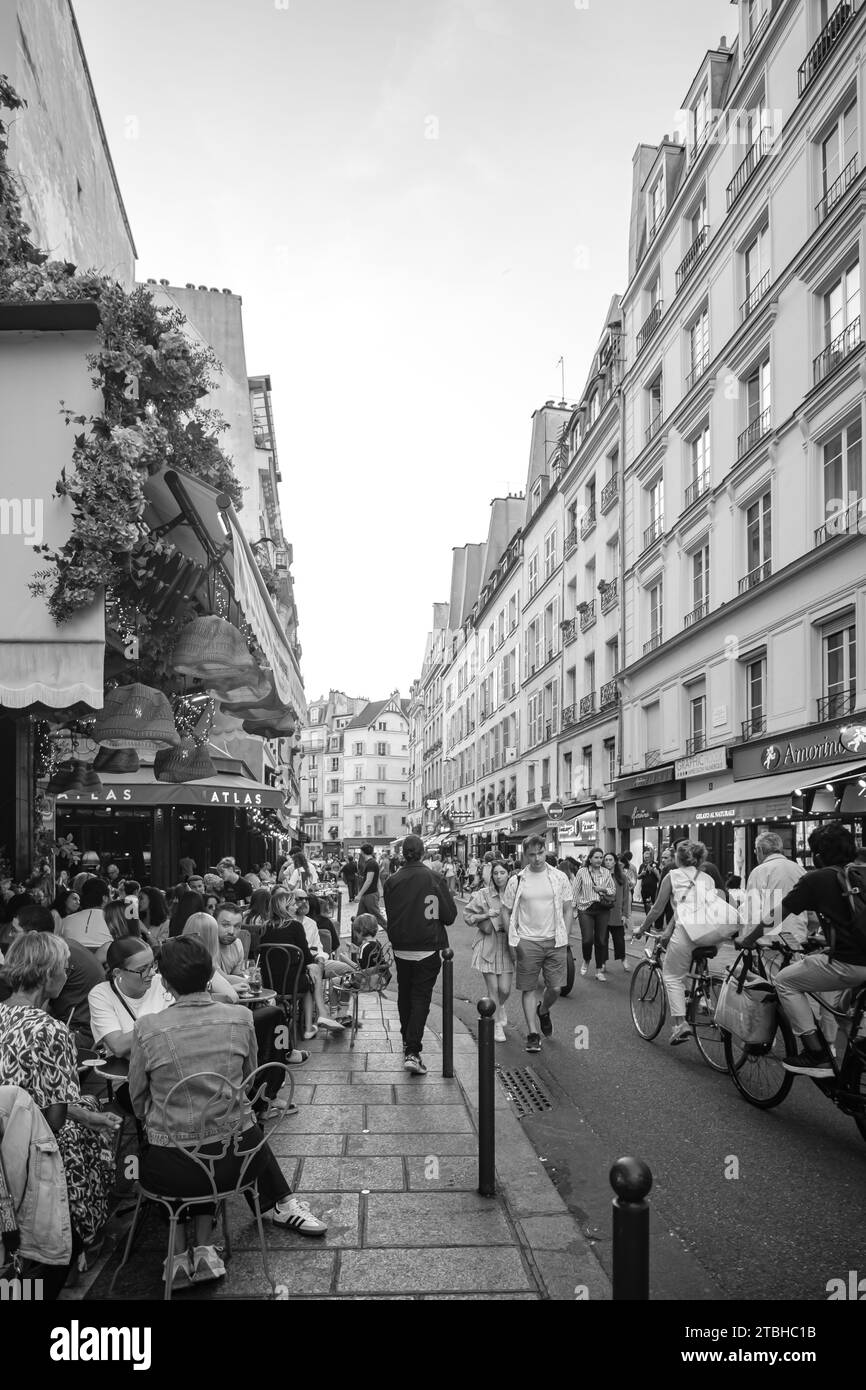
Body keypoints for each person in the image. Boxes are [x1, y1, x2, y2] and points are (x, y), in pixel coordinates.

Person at [128, 937, 326, 1289]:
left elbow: (138, 1099)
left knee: (165, 1146)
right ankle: (203, 1248)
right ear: (209, 976)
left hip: (175, 1166)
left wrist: (164, 1117)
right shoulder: (241, 1017)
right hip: (235, 1163)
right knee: (212, 1136)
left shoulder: (148, 1028)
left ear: (165, 982)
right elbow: (249, 1077)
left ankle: (176, 1257)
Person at [0, 933, 119, 1260]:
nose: (67, 976)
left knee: (91, 1110)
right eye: (64, 969)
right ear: (49, 975)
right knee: (87, 1132)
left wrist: (88, 1115)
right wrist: (90, 1120)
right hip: (30, 1145)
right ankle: (81, 1233)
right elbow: (53, 1118)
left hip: (5, 1130)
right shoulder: (51, 1029)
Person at [740, 821, 866, 1076]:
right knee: (839, 1008)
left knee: (785, 982)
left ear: (818, 855)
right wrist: (823, 939)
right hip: (854, 957)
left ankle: (816, 1053)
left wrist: (748, 939)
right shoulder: (860, 874)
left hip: (850, 963)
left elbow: (775, 916)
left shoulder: (818, 878)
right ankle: (844, 1054)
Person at [383, 833, 457, 1074]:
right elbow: (449, 916)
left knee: (405, 996)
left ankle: (407, 1043)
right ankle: (412, 1051)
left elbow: (391, 914)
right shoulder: (434, 878)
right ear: (423, 852)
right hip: (427, 947)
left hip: (402, 947)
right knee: (420, 999)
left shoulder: (392, 880)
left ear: (402, 853)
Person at [633, 839, 714, 1045]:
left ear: (678, 857)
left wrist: (642, 929)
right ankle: (703, 997)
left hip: (686, 933)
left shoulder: (673, 876)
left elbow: (658, 908)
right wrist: (669, 929)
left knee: (672, 977)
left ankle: (681, 1025)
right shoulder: (707, 878)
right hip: (710, 934)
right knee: (690, 968)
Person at [500, 835, 574, 1053]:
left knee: (556, 988)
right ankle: (533, 1033)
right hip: (528, 940)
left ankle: (543, 1010)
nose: (537, 858)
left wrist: (566, 936)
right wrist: (512, 935)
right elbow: (505, 909)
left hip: (555, 940)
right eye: (531, 854)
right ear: (525, 855)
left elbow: (568, 908)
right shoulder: (518, 880)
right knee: (528, 988)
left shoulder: (559, 877)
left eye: (540, 853)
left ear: (545, 851)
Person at [289, 891, 353, 1035]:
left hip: (315, 962)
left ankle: (339, 1014)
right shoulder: (287, 923)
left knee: (349, 970)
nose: (304, 902)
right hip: (296, 967)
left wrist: (321, 958)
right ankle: (322, 1015)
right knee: (312, 971)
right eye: (299, 899)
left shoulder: (311, 923)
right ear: (290, 903)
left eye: (306, 899)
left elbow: (320, 948)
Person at [465, 859, 514, 1041]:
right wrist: (486, 914)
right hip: (488, 941)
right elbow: (467, 916)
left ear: (508, 874)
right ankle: (496, 1026)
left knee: (505, 989)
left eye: (502, 873)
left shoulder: (514, 894)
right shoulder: (483, 894)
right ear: (491, 875)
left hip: (507, 943)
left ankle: (499, 1007)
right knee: (493, 988)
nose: (499, 876)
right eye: (495, 873)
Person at [741, 832, 808, 946]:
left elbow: (752, 912)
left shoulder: (759, 871)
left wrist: (748, 939)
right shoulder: (800, 870)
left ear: (760, 850)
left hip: (770, 942)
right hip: (797, 940)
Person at [573, 847, 618, 982]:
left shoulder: (606, 872)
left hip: (602, 909)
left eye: (601, 857)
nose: (599, 860)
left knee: (601, 939)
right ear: (590, 859)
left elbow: (613, 890)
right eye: (596, 857)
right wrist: (573, 908)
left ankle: (599, 969)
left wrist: (602, 889)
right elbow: (575, 890)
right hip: (585, 908)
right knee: (587, 939)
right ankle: (586, 959)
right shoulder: (582, 872)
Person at [58, 878, 113, 959]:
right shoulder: (115, 919)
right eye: (110, 895)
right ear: (104, 898)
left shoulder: (65, 920)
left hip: (72, 967)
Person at [603, 852, 632, 972]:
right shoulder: (600, 876)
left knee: (619, 939)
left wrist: (625, 914)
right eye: (606, 860)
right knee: (602, 940)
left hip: (617, 913)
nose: (608, 862)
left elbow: (626, 897)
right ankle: (602, 962)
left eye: (610, 859)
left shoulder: (622, 877)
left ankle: (623, 959)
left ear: (615, 861)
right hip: (602, 912)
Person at [357, 843, 387, 928]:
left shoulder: (371, 863)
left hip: (370, 895)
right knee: (359, 919)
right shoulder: (371, 863)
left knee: (378, 918)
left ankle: (393, 934)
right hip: (368, 894)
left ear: (363, 852)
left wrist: (359, 895)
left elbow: (369, 880)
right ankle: (359, 940)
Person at [214, 902, 246, 976]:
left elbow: (236, 976)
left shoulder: (237, 944)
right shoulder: (206, 945)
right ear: (214, 923)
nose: (231, 931)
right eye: (225, 925)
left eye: (237, 926)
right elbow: (220, 978)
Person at [637, 846, 660, 916]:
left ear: (651, 857)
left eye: (647, 857)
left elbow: (659, 877)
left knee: (655, 905)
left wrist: (653, 870)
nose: (646, 859)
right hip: (644, 889)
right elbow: (638, 877)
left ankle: (656, 921)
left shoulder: (655, 865)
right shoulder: (642, 865)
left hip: (653, 889)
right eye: (644, 858)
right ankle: (648, 921)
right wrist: (641, 874)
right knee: (646, 906)